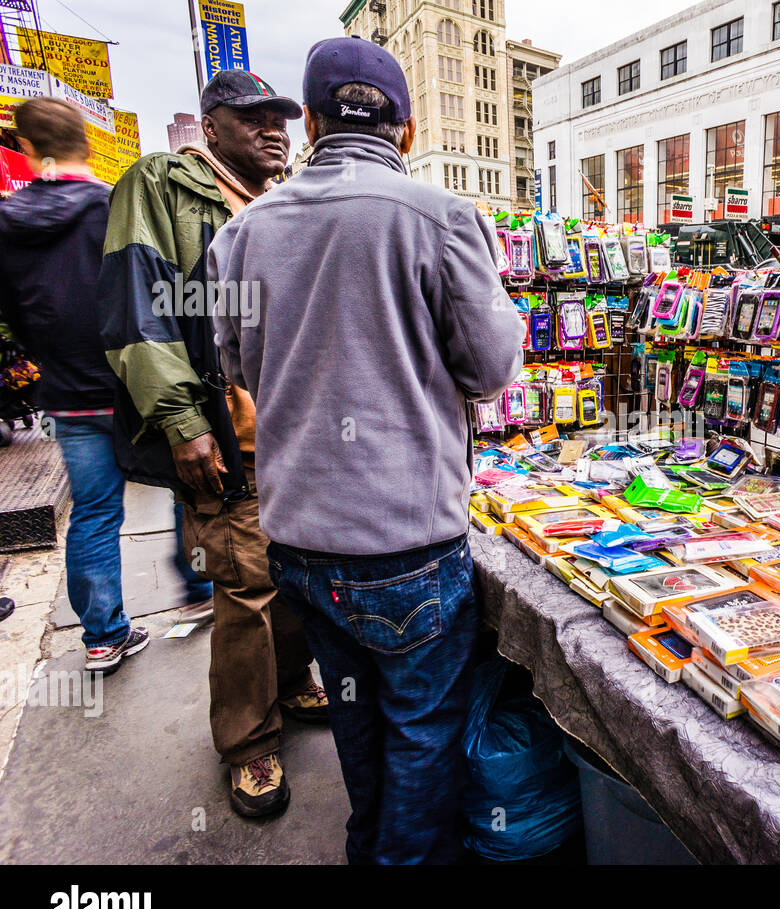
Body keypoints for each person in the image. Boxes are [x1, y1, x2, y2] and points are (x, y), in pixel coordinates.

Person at [209, 38, 523, 863]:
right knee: (421, 732)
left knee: (356, 719)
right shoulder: (444, 218)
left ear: (309, 121)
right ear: (408, 132)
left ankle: (369, 848)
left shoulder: (243, 233)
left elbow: (237, 365)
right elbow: (491, 372)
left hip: (302, 543)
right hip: (406, 543)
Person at [98, 71, 327, 819]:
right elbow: (140, 307)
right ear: (212, 124)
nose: (273, 130)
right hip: (229, 438)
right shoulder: (162, 185)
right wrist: (183, 421)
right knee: (245, 588)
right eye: (253, 117)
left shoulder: (287, 196)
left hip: (299, 437)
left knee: (295, 579)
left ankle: (290, 684)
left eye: (282, 119)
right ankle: (248, 741)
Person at [0, 97, 149, 674]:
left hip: (69, 392)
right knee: (192, 487)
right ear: (85, 144)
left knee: (94, 514)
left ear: (27, 149)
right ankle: (201, 584)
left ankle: (102, 638)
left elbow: (14, 311)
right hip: (134, 383)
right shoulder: (111, 206)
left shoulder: (9, 223)